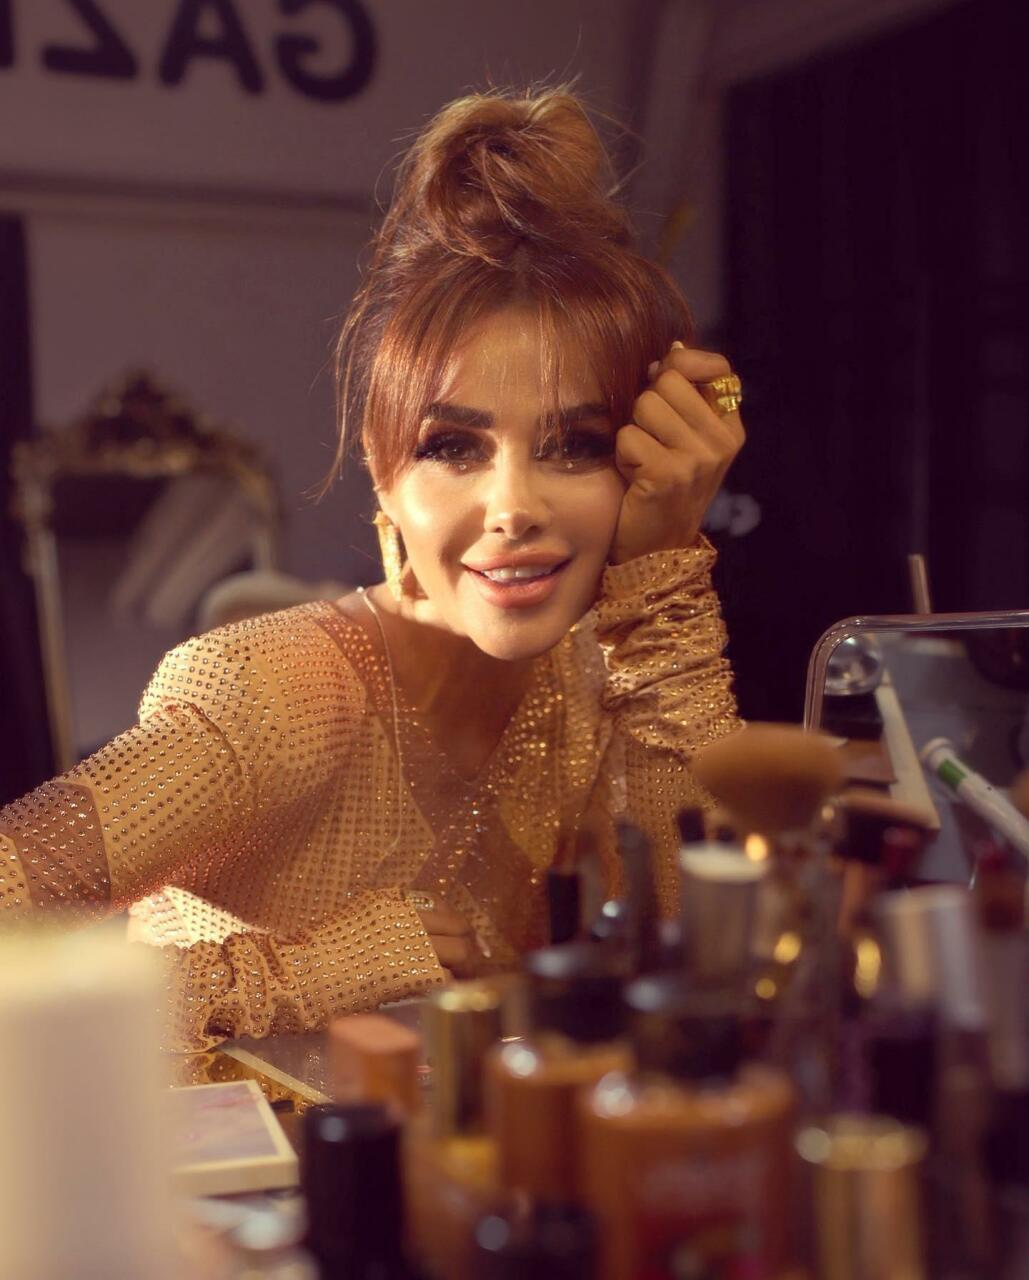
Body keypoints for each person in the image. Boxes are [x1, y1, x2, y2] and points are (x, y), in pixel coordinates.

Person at [0, 87, 744, 1051]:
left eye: (575, 445)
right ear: (382, 470)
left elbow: (705, 968)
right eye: (453, 448)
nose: (512, 507)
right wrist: (312, 970)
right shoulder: (271, 695)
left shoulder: (599, 671)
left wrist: (666, 573)